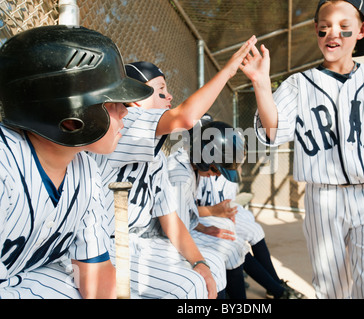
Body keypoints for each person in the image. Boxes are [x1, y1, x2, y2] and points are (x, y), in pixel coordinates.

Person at [241, 0, 364, 299]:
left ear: (362, 30)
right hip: (323, 198)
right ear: (315, 30)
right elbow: (272, 132)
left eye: (344, 27)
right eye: (324, 28)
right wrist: (262, 85)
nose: (332, 34)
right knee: (331, 287)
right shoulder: (299, 84)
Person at [89, 36, 257, 299]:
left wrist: (199, 263)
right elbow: (186, 117)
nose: (169, 96)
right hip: (106, 244)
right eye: (160, 90)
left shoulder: (155, 152)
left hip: (141, 241)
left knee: (210, 268)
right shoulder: (126, 122)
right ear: (134, 99)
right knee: (188, 287)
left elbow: (170, 218)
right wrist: (228, 70)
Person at [0, 25, 153, 298]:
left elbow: (95, 274)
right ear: (71, 114)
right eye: (113, 101)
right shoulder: (4, 164)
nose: (124, 113)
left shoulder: (85, 170)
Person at [196, 116, 306, 299]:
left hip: (216, 213)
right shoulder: (197, 167)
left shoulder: (219, 164)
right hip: (203, 216)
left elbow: (227, 198)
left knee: (253, 230)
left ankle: (275, 284)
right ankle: (275, 288)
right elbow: (188, 210)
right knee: (235, 243)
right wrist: (217, 212)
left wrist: (227, 211)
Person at [167, 120, 252, 299]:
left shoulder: (191, 166)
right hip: (166, 239)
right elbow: (174, 228)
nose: (218, 174)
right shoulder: (180, 175)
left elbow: (179, 215)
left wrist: (203, 228)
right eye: (216, 169)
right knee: (220, 259)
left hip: (181, 229)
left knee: (234, 247)